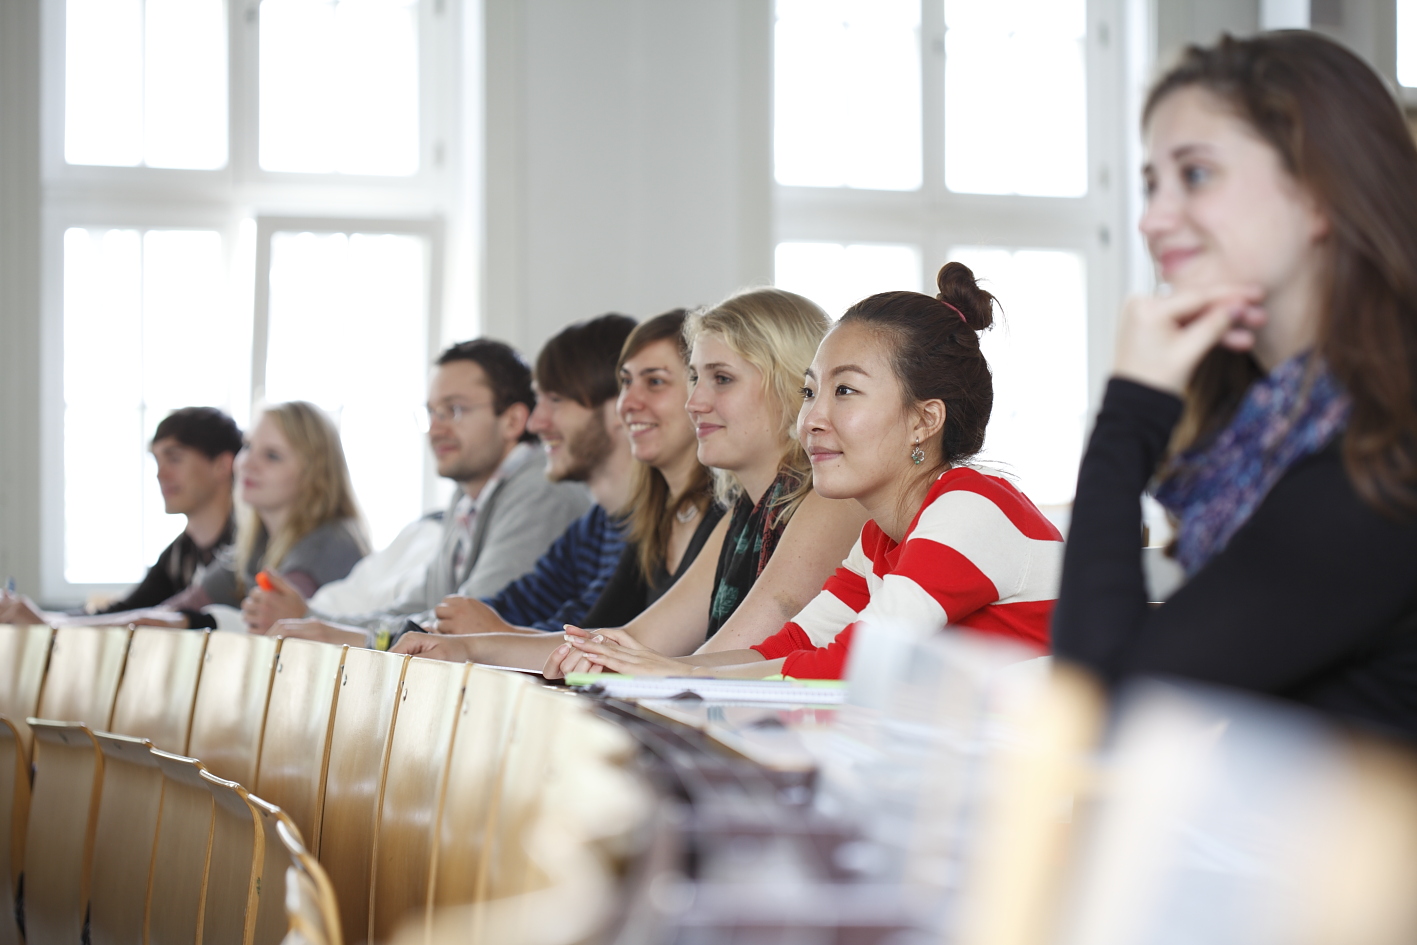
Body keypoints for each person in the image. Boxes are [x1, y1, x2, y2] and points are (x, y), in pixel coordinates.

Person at [1052, 32, 1417, 742]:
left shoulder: (1381, 459)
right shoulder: (1270, 429)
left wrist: (1127, 411)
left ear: (1318, 196)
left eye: (1194, 174)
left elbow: (1102, 712)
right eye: (1151, 183)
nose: (1150, 219)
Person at [562, 263, 1063, 680]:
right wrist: (666, 672)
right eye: (809, 392)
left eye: (844, 391)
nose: (812, 420)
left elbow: (861, 664)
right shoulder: (877, 540)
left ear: (924, 420)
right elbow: (788, 645)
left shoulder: (969, 509)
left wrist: (681, 676)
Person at [398, 287, 870, 671]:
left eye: (721, 379)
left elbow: (707, 665)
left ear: (793, 384)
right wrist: (472, 649)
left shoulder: (827, 499)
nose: (695, 402)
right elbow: (637, 642)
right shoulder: (750, 509)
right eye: (694, 378)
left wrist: (483, 647)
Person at [276, 314, 638, 647]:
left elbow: (481, 622)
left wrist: (357, 637)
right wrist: (318, 622)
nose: (437, 427)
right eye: (432, 412)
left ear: (511, 421)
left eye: (455, 410)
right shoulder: (469, 500)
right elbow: (450, 612)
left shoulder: (541, 492)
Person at [130, 401, 369, 629]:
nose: (247, 463)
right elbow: (168, 613)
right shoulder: (255, 545)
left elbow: (270, 627)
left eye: (272, 455)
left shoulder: (328, 545)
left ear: (315, 474)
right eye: (248, 446)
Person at [0, 407, 242, 625]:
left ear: (222, 465)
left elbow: (149, 620)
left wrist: (46, 623)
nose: (160, 474)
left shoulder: (246, 553)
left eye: (174, 458)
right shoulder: (179, 553)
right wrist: (43, 618)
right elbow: (127, 611)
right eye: (157, 461)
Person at [576, 310, 726, 628]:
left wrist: (481, 643)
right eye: (626, 382)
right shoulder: (656, 513)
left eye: (655, 382)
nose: (627, 402)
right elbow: (597, 630)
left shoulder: (731, 513)